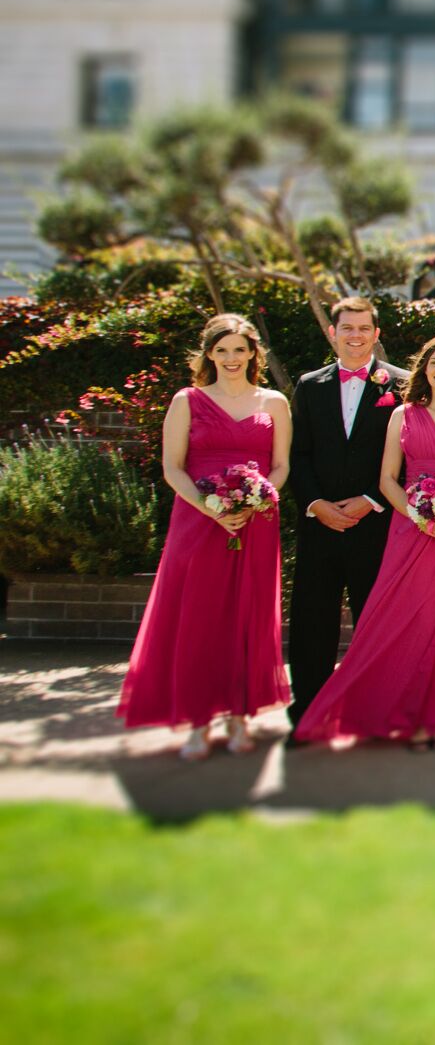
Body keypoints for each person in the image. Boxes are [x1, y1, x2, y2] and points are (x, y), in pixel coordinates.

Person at [295, 335, 435, 749]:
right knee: (400, 617)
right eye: (434, 363)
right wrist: (418, 516)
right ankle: (389, 711)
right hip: (412, 530)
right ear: (424, 368)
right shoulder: (404, 415)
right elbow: (387, 480)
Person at [119, 315, 293, 760]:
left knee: (245, 615)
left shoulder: (273, 402)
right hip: (197, 521)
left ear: (254, 353)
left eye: (239, 350)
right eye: (222, 350)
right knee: (197, 617)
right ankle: (197, 719)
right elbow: (172, 467)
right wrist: (210, 507)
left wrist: (255, 502)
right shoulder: (188, 400)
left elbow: (280, 466)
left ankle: (239, 715)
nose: (231, 359)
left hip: (254, 521)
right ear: (209, 355)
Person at [285, 297, 408, 739]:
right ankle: (308, 713)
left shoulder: (403, 385)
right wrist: (316, 504)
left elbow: (411, 460)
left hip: (375, 524)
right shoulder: (309, 385)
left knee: (375, 619)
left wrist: (371, 500)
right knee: (312, 620)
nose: (355, 335)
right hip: (320, 524)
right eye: (347, 328)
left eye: (363, 328)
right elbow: (297, 455)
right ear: (333, 333)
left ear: (376, 334)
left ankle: (372, 712)